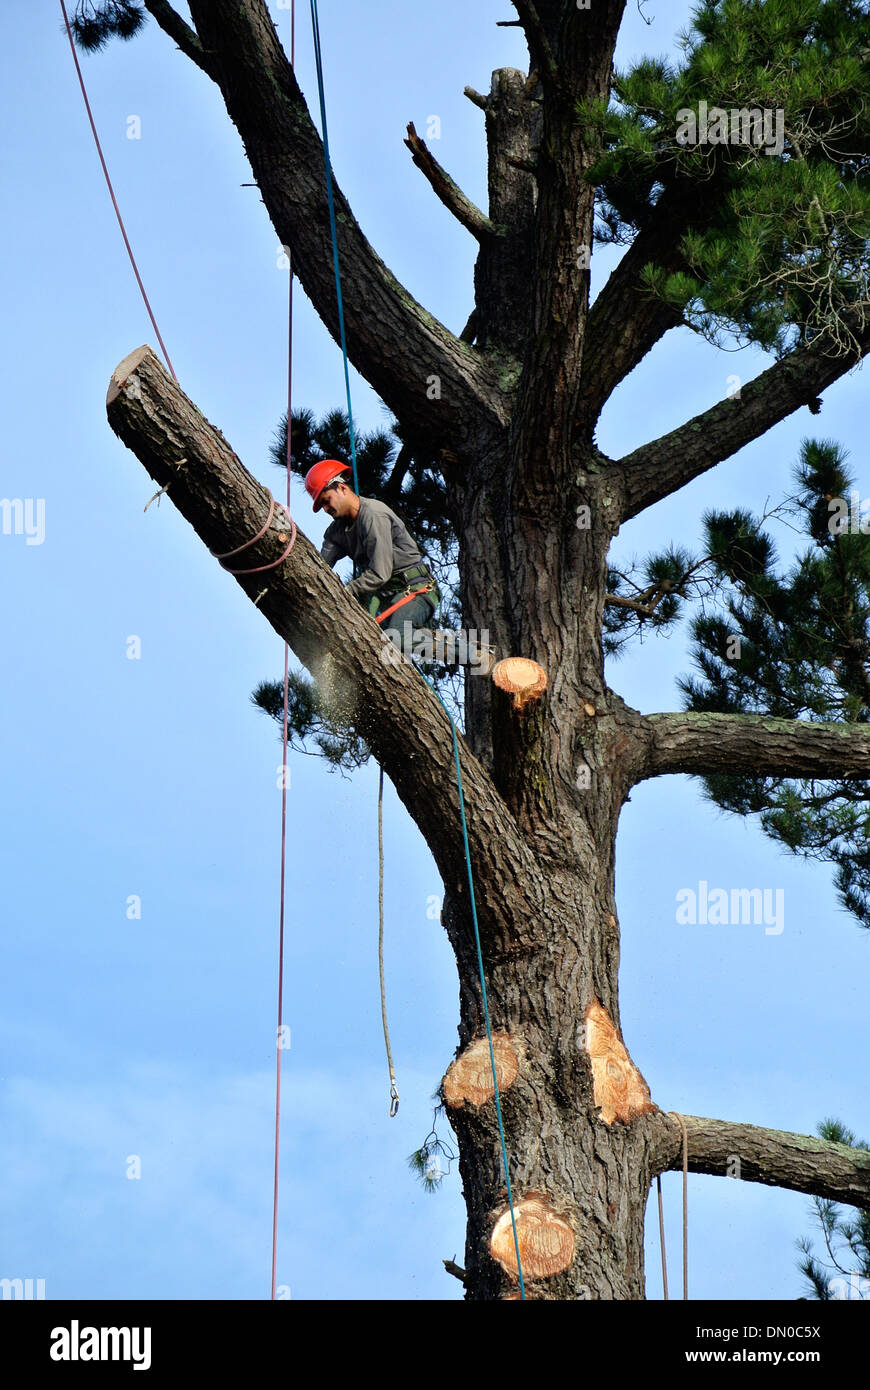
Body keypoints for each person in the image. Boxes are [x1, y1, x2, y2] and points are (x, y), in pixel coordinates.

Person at [304, 459, 439, 654]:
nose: (325, 509)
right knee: (359, 646)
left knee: (398, 636)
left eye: (326, 501)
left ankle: (464, 651)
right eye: (322, 505)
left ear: (342, 488)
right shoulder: (336, 531)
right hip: (384, 597)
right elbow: (318, 567)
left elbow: (379, 574)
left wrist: (347, 591)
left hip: (415, 590)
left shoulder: (374, 515)